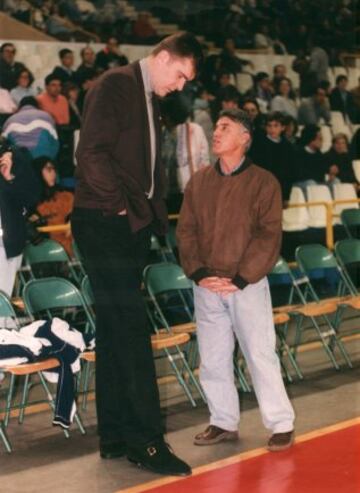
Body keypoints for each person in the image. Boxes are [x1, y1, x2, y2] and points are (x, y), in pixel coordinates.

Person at [71, 32, 203, 477]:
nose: (182, 86)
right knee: (130, 330)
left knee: (114, 330)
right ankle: (147, 443)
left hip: (125, 225)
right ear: (163, 58)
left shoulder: (147, 95)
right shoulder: (116, 85)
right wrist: (121, 206)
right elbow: (90, 154)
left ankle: (115, 435)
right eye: (181, 75)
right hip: (107, 221)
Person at [176, 108, 295, 451]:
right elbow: (186, 232)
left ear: (244, 138)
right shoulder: (199, 181)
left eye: (224, 128)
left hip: (246, 285)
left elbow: (268, 236)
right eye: (215, 127)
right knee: (212, 358)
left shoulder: (263, 182)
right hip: (206, 286)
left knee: (260, 354)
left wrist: (241, 279)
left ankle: (280, 423)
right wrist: (199, 274)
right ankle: (222, 421)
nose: (215, 133)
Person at [0, 137, 40, 296]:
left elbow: (31, 197)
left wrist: (9, 179)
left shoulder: (14, 157)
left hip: (6, 241)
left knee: (2, 303)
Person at [250, 112, 296, 201]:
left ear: (283, 128)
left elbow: (291, 172)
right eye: (269, 126)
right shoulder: (258, 144)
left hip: (280, 190)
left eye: (276, 126)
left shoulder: (288, 147)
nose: (272, 129)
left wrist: (286, 196)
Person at [32, 157, 74, 255]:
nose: (53, 173)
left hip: (69, 246)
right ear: (38, 173)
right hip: (43, 250)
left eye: (54, 169)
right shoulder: (29, 201)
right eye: (49, 169)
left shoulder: (65, 196)